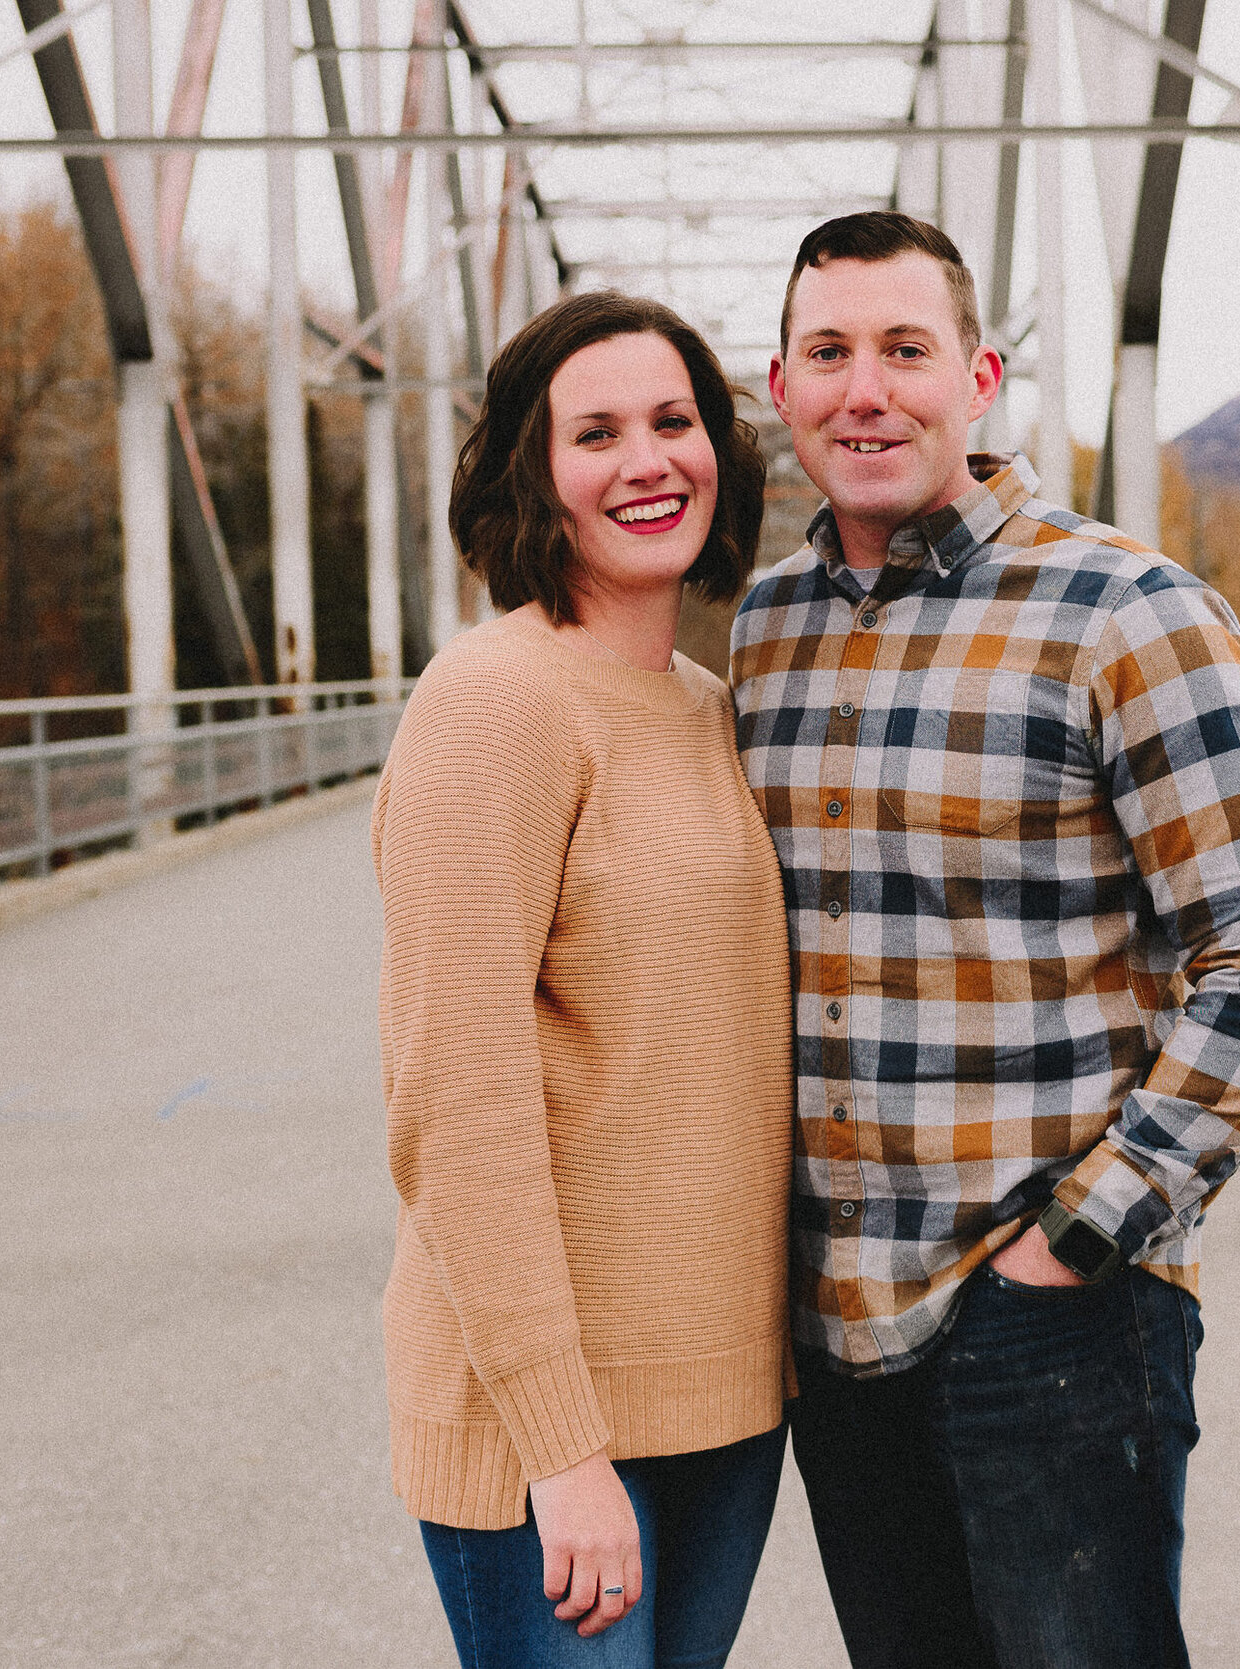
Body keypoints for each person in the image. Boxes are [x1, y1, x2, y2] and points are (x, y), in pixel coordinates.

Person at [731, 211, 1240, 1668]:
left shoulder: (1126, 611)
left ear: (981, 375)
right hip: (836, 1327)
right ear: (779, 386)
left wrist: (1076, 1242)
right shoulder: (759, 635)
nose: (865, 390)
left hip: (1054, 1317)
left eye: (905, 350)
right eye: (830, 353)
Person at [373, 289, 792, 1668]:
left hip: (723, 1400)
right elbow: (459, 1098)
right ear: (529, 474)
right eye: (596, 431)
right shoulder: (495, 702)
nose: (647, 459)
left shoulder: (709, 710)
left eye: (675, 421)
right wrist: (561, 1446)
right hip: (550, 1427)